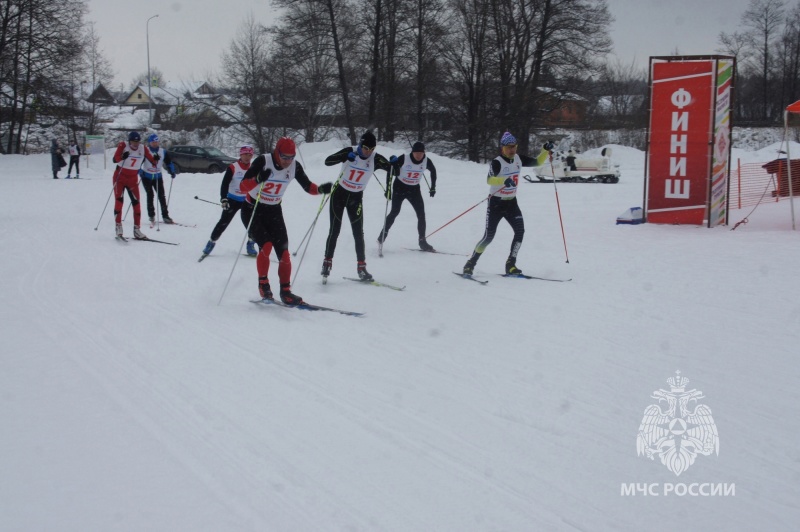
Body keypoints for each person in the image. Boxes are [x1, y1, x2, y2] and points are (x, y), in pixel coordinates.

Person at [239, 137, 333, 304]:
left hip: (274, 210)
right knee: (266, 245)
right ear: (277, 152)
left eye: (291, 157)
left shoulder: (294, 166)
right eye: (284, 157)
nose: (287, 161)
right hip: (252, 209)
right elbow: (242, 186)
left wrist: (320, 190)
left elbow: (307, 186)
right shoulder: (263, 161)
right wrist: (258, 179)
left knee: (284, 253)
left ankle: (286, 291)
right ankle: (264, 285)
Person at [462, 132, 553, 276]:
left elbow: (538, 162)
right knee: (488, 237)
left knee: (520, 231)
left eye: (514, 147)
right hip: (496, 204)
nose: (512, 150)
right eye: (509, 147)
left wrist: (545, 150)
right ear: (502, 148)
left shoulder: (518, 158)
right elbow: (489, 180)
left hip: (511, 203)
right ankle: (470, 264)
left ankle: (511, 264)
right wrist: (503, 181)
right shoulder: (497, 162)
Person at [320, 131, 393, 282]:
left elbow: (394, 171)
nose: (368, 152)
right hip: (339, 195)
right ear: (360, 145)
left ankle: (361, 268)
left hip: (356, 198)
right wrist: (344, 157)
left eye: (372, 149)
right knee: (334, 230)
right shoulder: (350, 151)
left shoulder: (375, 158)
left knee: (358, 233)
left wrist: (394, 163)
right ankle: (327, 263)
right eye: (366, 148)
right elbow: (327, 161)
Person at [200, 145, 259, 259]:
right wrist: (224, 198)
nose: (247, 157)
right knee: (224, 222)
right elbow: (225, 184)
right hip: (232, 199)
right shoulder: (233, 167)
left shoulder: (253, 168)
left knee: (252, 223)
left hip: (247, 200)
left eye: (250, 155)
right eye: (245, 154)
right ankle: (211, 242)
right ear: (240, 155)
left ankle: (250, 245)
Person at [378, 141, 438, 251]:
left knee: (421, 214)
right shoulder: (404, 158)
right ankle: (383, 235)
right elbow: (390, 171)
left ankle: (422, 241)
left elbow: (433, 171)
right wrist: (388, 189)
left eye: (421, 153)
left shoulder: (426, 160)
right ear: (412, 152)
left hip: (414, 190)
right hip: (399, 188)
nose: (419, 155)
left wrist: (433, 186)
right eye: (417, 153)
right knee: (395, 212)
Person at [112, 131, 158, 239]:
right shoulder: (123, 145)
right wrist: (122, 156)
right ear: (129, 141)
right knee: (119, 201)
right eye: (133, 142)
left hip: (132, 179)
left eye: (137, 142)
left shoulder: (143, 148)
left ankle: (137, 229)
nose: (135, 144)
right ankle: (118, 226)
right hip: (120, 177)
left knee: (136, 203)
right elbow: (115, 159)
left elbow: (152, 160)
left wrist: (155, 160)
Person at [139, 134, 176, 224]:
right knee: (150, 195)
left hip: (157, 177)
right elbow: (138, 163)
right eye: (153, 142)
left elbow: (169, 162)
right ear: (150, 143)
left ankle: (165, 216)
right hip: (146, 176)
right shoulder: (145, 151)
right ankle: (151, 215)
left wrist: (172, 170)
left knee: (161, 196)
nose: (155, 144)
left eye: (156, 142)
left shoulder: (162, 152)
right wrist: (140, 171)